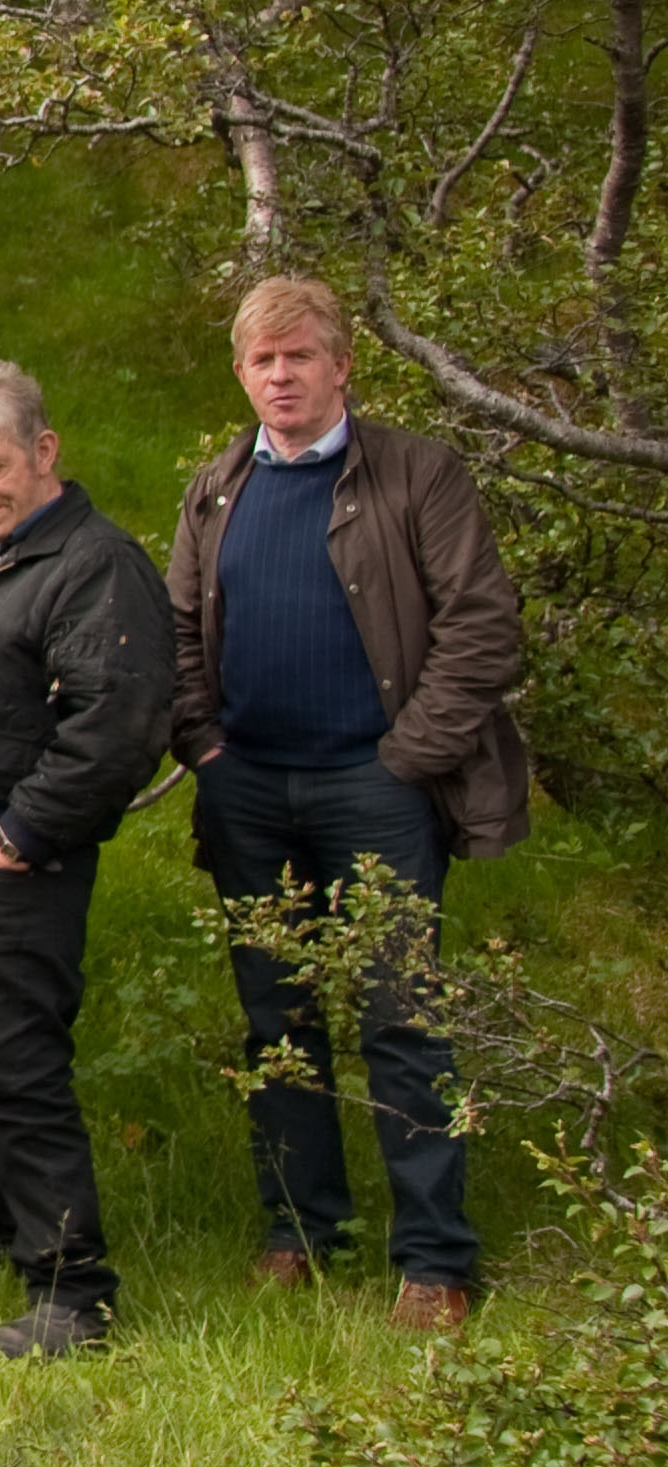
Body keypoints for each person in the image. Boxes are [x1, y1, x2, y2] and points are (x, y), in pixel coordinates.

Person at [169, 278, 525, 1333]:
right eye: (261, 360)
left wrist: (405, 757)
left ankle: (433, 1257)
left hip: (376, 790)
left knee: (402, 1020)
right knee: (278, 1018)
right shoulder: (217, 483)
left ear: (342, 364)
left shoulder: (418, 472)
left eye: (299, 356)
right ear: (241, 373)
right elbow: (182, 627)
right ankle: (298, 1230)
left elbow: (482, 624)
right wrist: (205, 745)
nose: (280, 375)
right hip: (251, 791)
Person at [0, 360, 175, 1358]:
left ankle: (72, 1288)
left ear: (45, 451)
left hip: (18, 856)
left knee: (13, 1067)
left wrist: (21, 836)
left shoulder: (97, 564)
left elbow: (118, 724)